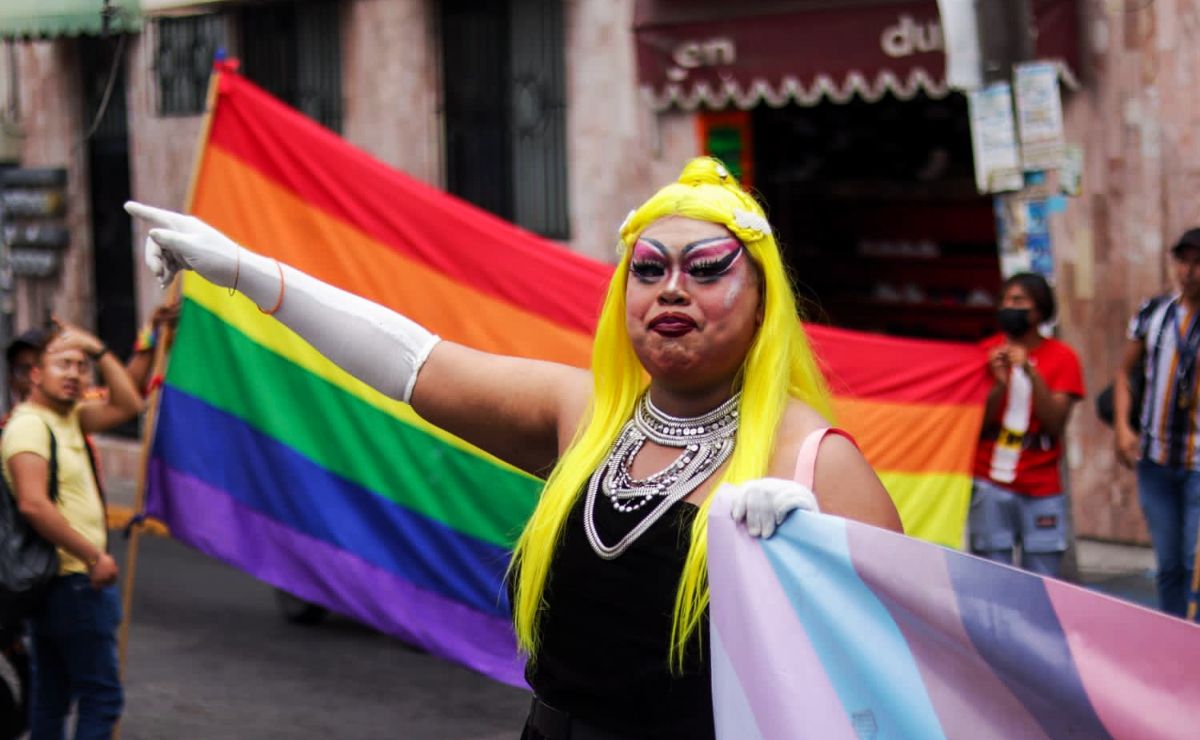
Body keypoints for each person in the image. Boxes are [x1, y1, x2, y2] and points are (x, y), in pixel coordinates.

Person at [126, 157, 902, 739]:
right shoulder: (585, 412)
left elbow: (898, 682)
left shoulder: (813, 461)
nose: (671, 291)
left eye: (706, 272)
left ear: (763, 299)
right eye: (649, 269)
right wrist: (244, 272)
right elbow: (414, 363)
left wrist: (811, 569)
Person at [2, 321, 143, 739]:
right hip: (72, 581)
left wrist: (98, 349)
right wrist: (93, 555)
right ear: (35, 374)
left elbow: (129, 404)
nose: (74, 374)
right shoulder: (30, 425)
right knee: (102, 698)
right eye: (62, 364)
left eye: (81, 367)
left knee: (52, 697)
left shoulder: (70, 418)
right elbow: (33, 503)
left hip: (64, 582)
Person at [970, 273, 1084, 577]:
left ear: (1039, 310)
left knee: (1043, 584)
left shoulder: (1063, 357)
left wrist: (1031, 374)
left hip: (1041, 484)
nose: (1009, 306)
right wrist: (997, 384)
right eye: (1005, 300)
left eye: (1018, 301)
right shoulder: (984, 352)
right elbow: (973, 425)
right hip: (989, 481)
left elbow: (1055, 422)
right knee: (992, 578)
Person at [1115, 228, 1200, 620]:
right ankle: (1171, 638)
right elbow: (1124, 372)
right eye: (1184, 261)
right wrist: (1122, 427)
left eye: (1198, 263)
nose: (1190, 271)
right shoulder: (1155, 313)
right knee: (1169, 564)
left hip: (1198, 462)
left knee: (1192, 560)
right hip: (1156, 459)